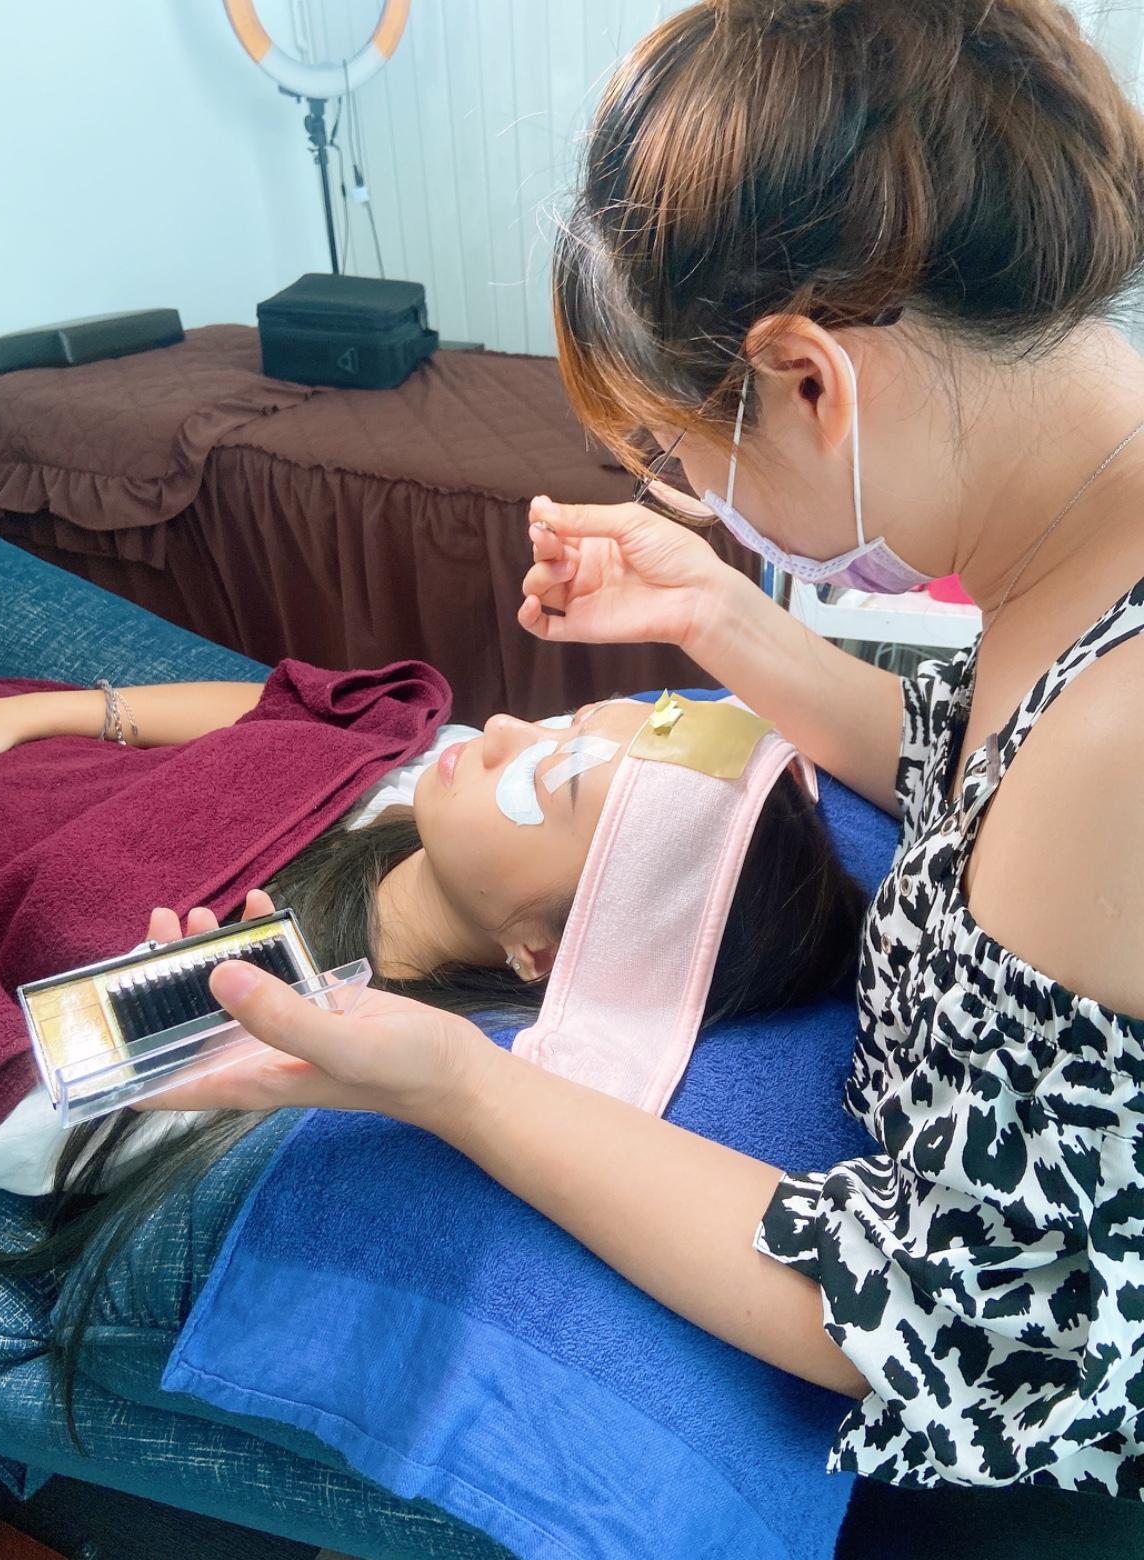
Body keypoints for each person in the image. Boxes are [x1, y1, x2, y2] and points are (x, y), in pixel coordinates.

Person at [141, 0, 1144, 1516]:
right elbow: (977, 773)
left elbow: (959, 1328)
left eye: (682, 459)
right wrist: (720, 617)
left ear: (810, 381)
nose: (693, 502)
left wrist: (460, 1089)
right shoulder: (1078, 538)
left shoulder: (1122, 730)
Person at [0, 663, 862, 1197]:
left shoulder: (285, 1046)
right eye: (562, 723)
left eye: (554, 780)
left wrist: (154, 1017)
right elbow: (281, 712)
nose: (503, 730)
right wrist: (22, 717)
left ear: (541, 951)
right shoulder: (436, 766)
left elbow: (21, 1117)